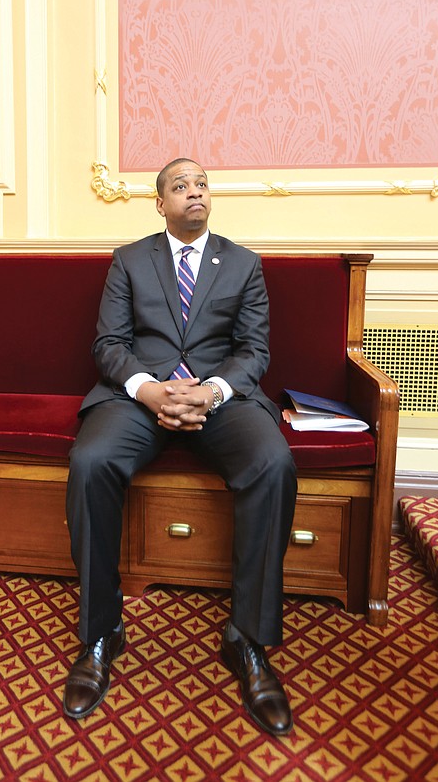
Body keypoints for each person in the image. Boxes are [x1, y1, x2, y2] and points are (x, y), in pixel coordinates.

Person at [63, 158, 297, 736]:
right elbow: (109, 344)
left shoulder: (243, 264)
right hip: (140, 397)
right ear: (160, 203)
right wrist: (149, 392)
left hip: (221, 400)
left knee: (273, 462)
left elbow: (254, 351)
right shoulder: (129, 260)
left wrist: (211, 392)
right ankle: (100, 633)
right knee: (91, 461)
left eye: (201, 183)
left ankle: (248, 639)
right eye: (180, 186)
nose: (195, 192)